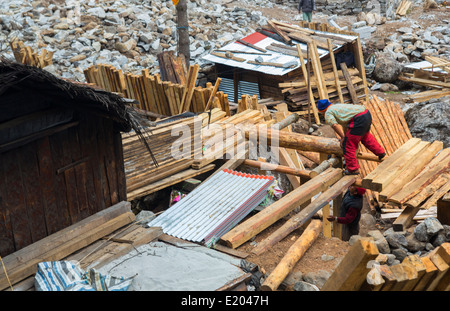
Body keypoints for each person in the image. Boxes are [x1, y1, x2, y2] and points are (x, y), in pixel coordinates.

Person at [317, 99, 386, 175]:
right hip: (366, 114)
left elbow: (334, 125)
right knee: (366, 137)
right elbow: (345, 125)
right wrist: (344, 137)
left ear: (321, 111)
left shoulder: (328, 113)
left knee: (348, 145)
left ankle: (353, 169)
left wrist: (344, 138)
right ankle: (381, 152)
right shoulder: (337, 107)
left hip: (358, 119)